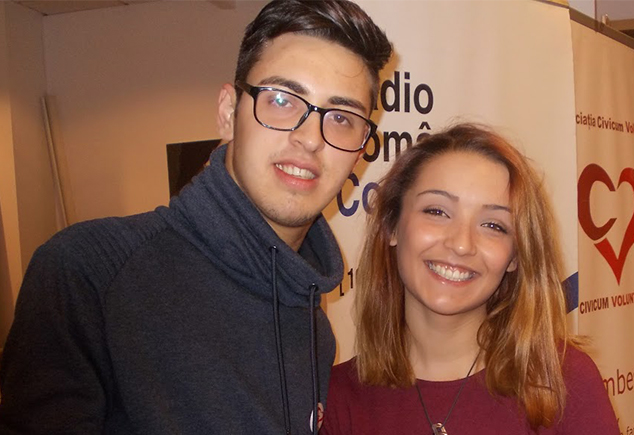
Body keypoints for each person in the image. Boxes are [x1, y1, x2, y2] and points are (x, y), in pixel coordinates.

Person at [0, 1, 392, 433]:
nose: (310, 138)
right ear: (228, 112)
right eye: (281, 100)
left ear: (360, 150)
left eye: (341, 118)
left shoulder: (313, 328)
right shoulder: (90, 272)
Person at [320, 124, 619, 435]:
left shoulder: (566, 382)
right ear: (391, 226)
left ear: (515, 256)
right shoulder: (336, 400)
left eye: (493, 225)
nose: (462, 244)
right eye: (437, 211)